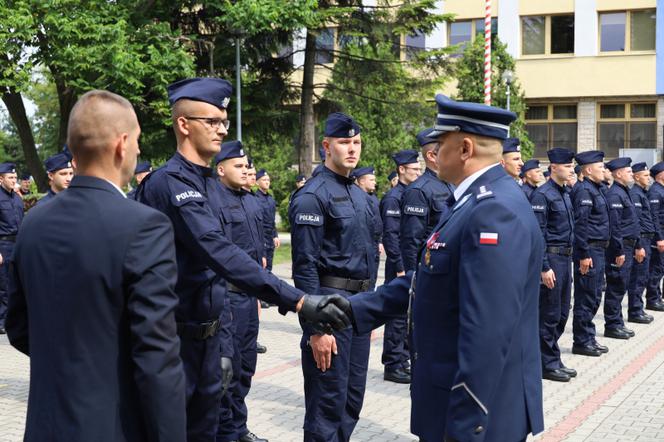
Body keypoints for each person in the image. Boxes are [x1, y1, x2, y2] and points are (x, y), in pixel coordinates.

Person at [135, 77, 352, 441]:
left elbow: (212, 277)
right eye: (212, 121)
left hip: (211, 335)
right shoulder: (170, 184)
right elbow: (218, 252)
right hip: (174, 346)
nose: (221, 129)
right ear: (184, 124)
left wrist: (221, 345)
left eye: (224, 121)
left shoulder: (208, 185)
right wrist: (297, 299)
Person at [348, 94, 544, 441]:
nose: (433, 152)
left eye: (440, 142)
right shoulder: (470, 201)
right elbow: (430, 278)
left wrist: (468, 423)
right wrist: (350, 309)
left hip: (476, 413)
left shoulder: (493, 210)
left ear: (465, 148)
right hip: (453, 403)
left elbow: (488, 328)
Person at [5, 89, 187, 441]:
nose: (138, 150)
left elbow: (19, 325)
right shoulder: (144, 225)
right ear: (121, 145)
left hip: (45, 425)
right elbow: (156, 357)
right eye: (136, 141)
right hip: (111, 425)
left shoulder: (33, 222)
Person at [289, 112, 374, 442]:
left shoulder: (361, 196)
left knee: (351, 402)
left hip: (359, 311)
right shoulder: (313, 195)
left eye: (356, 142)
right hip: (330, 310)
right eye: (344, 142)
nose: (352, 149)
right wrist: (317, 328)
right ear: (326, 146)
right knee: (327, 405)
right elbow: (305, 267)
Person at [213, 141, 268, 442]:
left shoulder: (251, 201)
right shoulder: (214, 202)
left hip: (249, 297)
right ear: (220, 169)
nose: (246, 169)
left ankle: (238, 427)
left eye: (246, 164)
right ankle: (225, 432)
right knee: (228, 369)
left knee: (246, 366)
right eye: (238, 165)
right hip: (228, 296)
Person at [530, 148, 576, 382]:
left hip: (565, 258)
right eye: (567, 166)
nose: (571, 169)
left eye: (571, 166)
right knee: (548, 314)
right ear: (554, 167)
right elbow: (537, 234)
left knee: (561, 312)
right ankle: (546, 363)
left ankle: (552, 358)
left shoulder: (565, 193)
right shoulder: (542, 195)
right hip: (552, 259)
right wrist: (544, 267)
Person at [379, 149, 420, 384]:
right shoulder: (394, 197)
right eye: (413, 169)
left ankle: (402, 360)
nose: (417, 172)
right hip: (399, 266)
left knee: (407, 315)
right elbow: (391, 236)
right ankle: (393, 364)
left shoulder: (411, 193)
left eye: (418, 169)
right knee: (396, 314)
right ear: (401, 169)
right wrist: (399, 266)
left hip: (409, 264)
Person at [571, 151, 611, 358]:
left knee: (594, 295)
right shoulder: (585, 191)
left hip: (598, 249)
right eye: (600, 167)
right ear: (588, 170)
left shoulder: (596, 189)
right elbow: (581, 224)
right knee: (586, 296)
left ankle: (588, 337)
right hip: (590, 250)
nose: (604, 170)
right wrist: (584, 253)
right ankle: (581, 341)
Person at [400, 127, 454, 274]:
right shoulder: (418, 191)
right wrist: (413, 280)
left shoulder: (451, 184)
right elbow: (411, 242)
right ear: (432, 156)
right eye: (446, 149)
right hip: (428, 272)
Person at [604, 157, 643, 339]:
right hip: (620, 249)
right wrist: (618, 251)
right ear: (618, 174)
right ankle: (612, 325)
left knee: (621, 285)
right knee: (616, 286)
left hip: (628, 246)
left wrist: (636, 246)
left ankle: (618, 322)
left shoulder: (624, 192)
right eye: (628, 172)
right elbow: (615, 226)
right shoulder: (615, 194)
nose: (631, 175)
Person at [627, 162, 658, 324]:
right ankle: (635, 310)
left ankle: (638, 308)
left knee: (643, 275)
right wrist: (639, 245)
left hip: (647, 238)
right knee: (638, 277)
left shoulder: (642, 193)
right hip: (642, 239)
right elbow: (636, 222)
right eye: (645, 176)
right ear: (636, 177)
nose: (649, 179)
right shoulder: (635, 194)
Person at [0, 163, 22, 335]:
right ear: (1, 179)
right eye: (10, 178)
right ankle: (2, 320)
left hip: (18, 243)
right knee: (3, 285)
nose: (14, 181)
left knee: (16, 282)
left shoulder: (17, 198)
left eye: (15, 178)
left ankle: (12, 319)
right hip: (3, 245)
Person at [351, 166, 382, 287]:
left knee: (372, 279)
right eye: (372, 180)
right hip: (363, 244)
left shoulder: (373, 197)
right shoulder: (355, 197)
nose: (375, 182)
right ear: (362, 181)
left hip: (374, 244)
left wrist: (380, 240)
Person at [645, 161, 664, 311]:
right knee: (656, 268)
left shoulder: (661, 190)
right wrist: (659, 238)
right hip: (660, 235)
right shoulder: (655, 192)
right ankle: (652, 299)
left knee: (660, 267)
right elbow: (654, 217)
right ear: (660, 175)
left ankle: (657, 295)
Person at [255, 169, 280, 272]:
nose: (267, 182)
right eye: (264, 180)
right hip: (261, 238)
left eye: (268, 180)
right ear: (257, 182)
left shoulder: (271, 199)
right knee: (261, 268)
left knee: (269, 268)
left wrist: (275, 235)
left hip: (270, 239)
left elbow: (272, 221)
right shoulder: (255, 198)